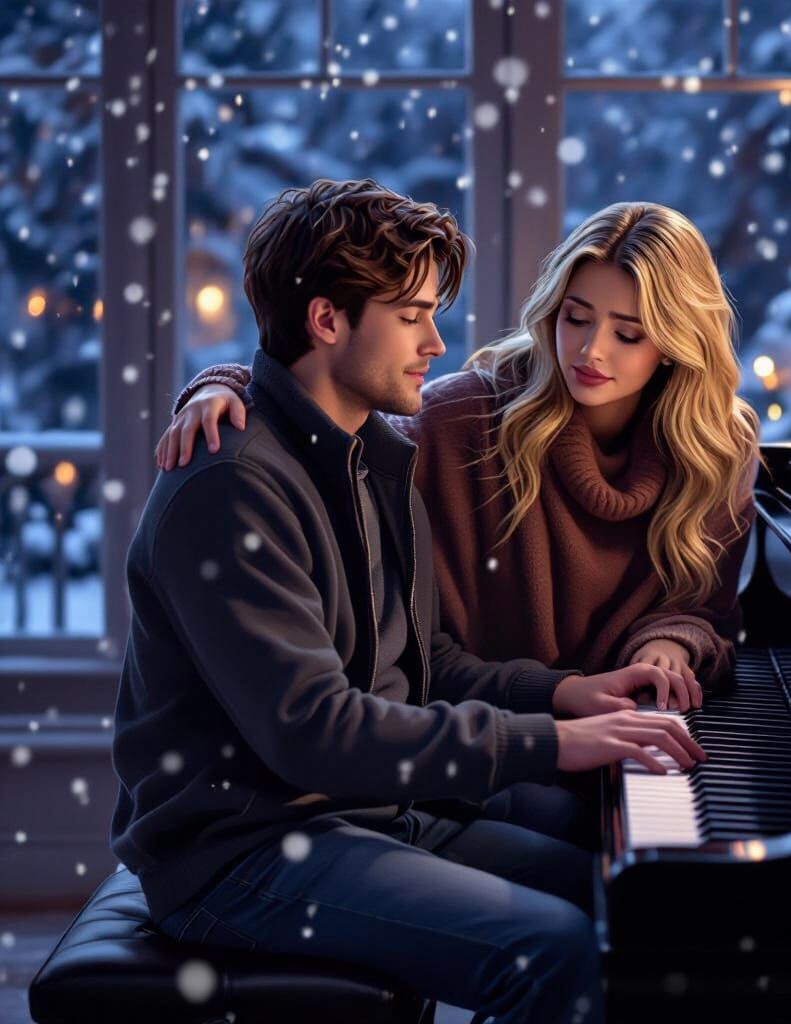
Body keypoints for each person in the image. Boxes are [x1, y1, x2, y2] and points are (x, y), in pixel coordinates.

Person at [113, 178, 706, 1024]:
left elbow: (427, 664)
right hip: (242, 849)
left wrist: (564, 696)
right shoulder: (231, 487)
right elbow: (319, 733)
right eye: (412, 314)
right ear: (327, 321)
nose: (437, 342)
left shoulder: (373, 457)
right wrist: (554, 743)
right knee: (557, 948)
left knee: (629, 898)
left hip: (361, 813)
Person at [162, 201, 760, 696]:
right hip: (483, 735)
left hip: (627, 726)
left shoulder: (717, 446)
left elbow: (703, 609)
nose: (590, 351)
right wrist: (231, 384)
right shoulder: (468, 416)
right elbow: (328, 416)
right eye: (575, 319)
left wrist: (670, 643)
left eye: (628, 334)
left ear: (679, 344)